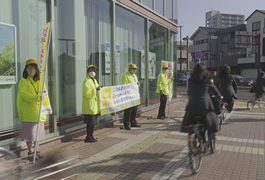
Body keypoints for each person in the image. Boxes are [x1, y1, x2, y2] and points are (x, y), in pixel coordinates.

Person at [17, 59, 46, 161]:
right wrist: (37, 97)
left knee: (37, 134)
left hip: (38, 113)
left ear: (37, 69)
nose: (32, 69)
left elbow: (45, 95)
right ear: (26, 69)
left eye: (34, 67)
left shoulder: (40, 82)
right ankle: (30, 152)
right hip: (28, 113)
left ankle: (37, 151)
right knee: (29, 135)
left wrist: (48, 108)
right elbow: (25, 96)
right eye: (29, 67)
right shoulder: (23, 82)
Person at [181, 63, 222, 134]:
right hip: (205, 106)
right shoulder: (207, 80)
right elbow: (215, 90)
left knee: (190, 124)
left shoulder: (191, 81)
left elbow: (189, 93)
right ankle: (207, 140)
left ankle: (192, 141)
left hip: (192, 106)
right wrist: (219, 97)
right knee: (211, 124)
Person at [82, 65, 101, 143]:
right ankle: (88, 137)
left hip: (94, 105)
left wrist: (99, 89)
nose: (92, 72)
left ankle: (91, 136)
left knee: (93, 123)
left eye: (94, 71)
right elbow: (86, 94)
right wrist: (95, 90)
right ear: (88, 72)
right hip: (89, 105)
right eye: (90, 71)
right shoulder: (87, 81)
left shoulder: (94, 80)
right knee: (90, 122)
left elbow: (96, 90)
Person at [122, 64, 141, 130]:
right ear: (129, 69)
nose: (134, 70)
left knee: (134, 110)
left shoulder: (134, 75)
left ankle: (133, 122)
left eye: (135, 69)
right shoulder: (125, 76)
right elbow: (124, 86)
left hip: (134, 95)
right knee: (128, 110)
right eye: (133, 69)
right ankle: (126, 124)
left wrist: (138, 84)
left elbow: (136, 85)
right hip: (128, 95)